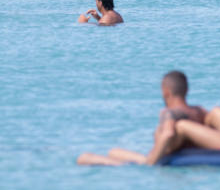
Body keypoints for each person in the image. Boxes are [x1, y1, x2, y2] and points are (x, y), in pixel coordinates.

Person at [76, 70, 207, 166]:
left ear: (165, 92)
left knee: (84, 158)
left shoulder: (171, 113)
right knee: (114, 151)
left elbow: (168, 134)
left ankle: (123, 165)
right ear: (187, 90)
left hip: (155, 158)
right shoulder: (198, 111)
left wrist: (151, 163)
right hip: (179, 153)